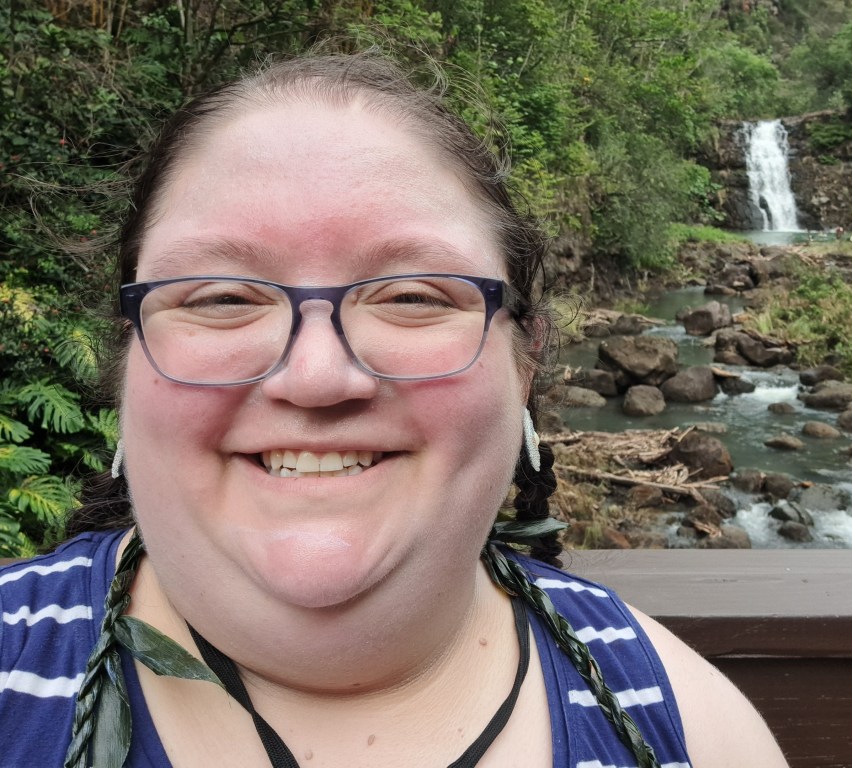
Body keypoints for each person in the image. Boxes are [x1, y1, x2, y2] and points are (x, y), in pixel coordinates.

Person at [0, 53, 788, 768]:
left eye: (413, 295)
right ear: (127, 358)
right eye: (223, 297)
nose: (315, 375)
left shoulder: (694, 735)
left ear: (525, 364)